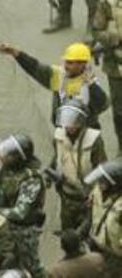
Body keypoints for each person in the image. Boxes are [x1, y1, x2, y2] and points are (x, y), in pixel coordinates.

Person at [0, 42, 108, 128]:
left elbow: (103, 105)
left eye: (70, 63)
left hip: (87, 132)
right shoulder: (58, 74)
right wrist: (16, 53)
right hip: (62, 131)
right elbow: (35, 67)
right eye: (66, 61)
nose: (66, 65)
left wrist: (91, 87)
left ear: (82, 64)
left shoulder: (91, 84)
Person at [0, 135, 46, 278]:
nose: (3, 156)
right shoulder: (6, 169)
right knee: (3, 262)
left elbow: (21, 212)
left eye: (8, 154)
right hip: (3, 225)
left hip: (24, 229)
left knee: (32, 266)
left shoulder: (31, 179)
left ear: (18, 158)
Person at [48, 98, 107, 230]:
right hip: (66, 195)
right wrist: (50, 173)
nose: (69, 126)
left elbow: (102, 169)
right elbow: (57, 156)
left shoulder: (94, 140)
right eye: (66, 120)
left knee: (88, 234)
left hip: (87, 198)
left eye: (73, 121)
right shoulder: (59, 136)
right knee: (68, 236)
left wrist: (97, 193)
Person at [93, 0, 122, 152]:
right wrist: (117, 38)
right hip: (115, 64)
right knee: (120, 110)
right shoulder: (108, 2)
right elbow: (97, 30)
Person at [83, 160, 122, 277]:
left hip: (115, 255)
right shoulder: (97, 192)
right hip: (96, 245)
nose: (99, 184)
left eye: (103, 182)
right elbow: (92, 216)